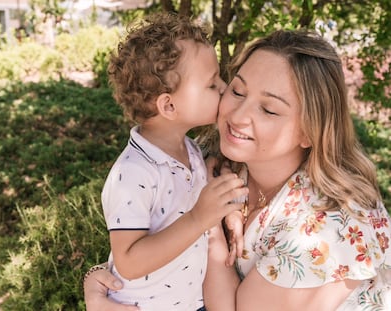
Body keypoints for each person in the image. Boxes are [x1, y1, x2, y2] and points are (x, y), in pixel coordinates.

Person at [84, 29, 391, 310]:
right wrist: (102, 281)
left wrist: (209, 222)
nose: (238, 115)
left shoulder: (332, 227)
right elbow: (146, 241)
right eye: (238, 91)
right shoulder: (206, 160)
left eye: (269, 109)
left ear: (310, 131)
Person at [96, 12, 248, 311]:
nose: (223, 87)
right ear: (169, 105)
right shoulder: (133, 173)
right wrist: (197, 219)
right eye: (211, 83)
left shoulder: (190, 151)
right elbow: (128, 261)